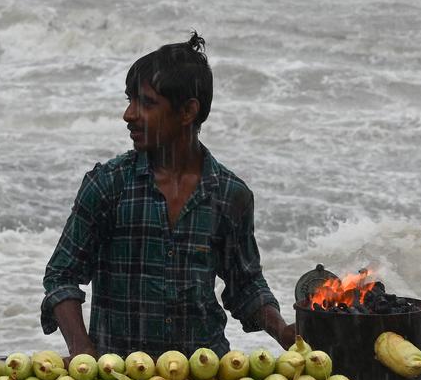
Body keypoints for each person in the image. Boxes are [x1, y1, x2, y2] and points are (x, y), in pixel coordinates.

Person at [40, 32, 296, 359]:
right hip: (120, 376)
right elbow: (61, 275)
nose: (129, 114)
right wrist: (82, 349)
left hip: (204, 376)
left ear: (188, 111)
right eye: (130, 100)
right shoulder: (109, 185)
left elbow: (245, 284)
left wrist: (282, 331)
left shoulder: (230, 195)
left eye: (146, 103)